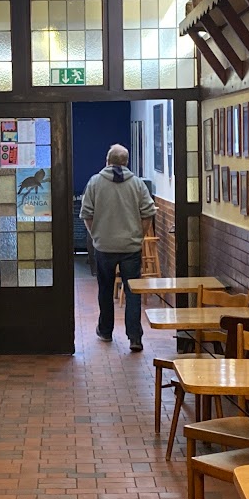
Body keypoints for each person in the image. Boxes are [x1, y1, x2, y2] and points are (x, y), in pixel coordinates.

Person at [80, 143, 156, 352]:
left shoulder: (95, 182)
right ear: (126, 162)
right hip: (130, 247)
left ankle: (105, 331)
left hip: (104, 246)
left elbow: (86, 213)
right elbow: (148, 212)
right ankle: (135, 338)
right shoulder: (137, 184)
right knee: (132, 292)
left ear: (107, 161)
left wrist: (96, 234)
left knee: (105, 289)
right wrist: (139, 236)